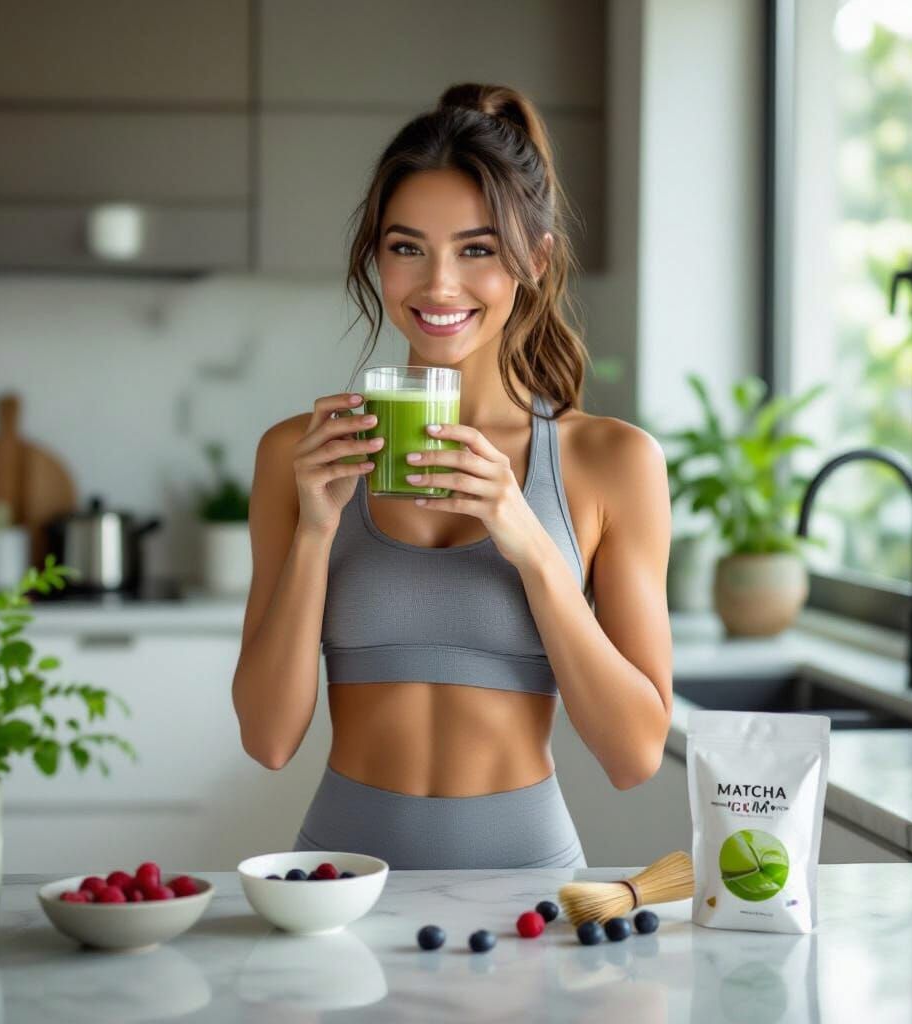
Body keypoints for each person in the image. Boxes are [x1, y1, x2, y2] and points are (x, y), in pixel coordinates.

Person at [232, 82, 673, 869]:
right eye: (407, 248)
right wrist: (316, 533)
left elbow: (634, 755)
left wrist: (531, 544)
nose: (439, 285)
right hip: (339, 890)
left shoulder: (612, 463)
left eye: (477, 249)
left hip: (528, 897)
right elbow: (268, 740)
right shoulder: (298, 455)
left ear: (535, 260)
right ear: (377, 257)